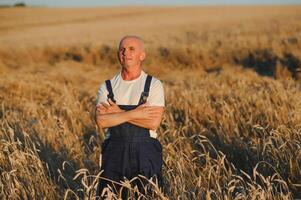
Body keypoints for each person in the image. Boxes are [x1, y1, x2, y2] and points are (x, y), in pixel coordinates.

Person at [95, 35, 165, 199]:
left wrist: (117, 112)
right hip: (114, 153)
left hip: (145, 153)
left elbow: (153, 122)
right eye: (122, 49)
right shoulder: (107, 86)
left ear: (142, 55)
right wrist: (136, 113)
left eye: (131, 49)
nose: (125, 53)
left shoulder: (153, 84)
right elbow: (102, 121)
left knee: (148, 195)